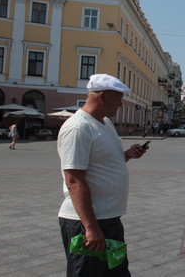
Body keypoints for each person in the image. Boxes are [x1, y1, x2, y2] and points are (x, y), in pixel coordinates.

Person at [57, 74, 148, 276]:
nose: (121, 104)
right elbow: (74, 181)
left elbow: (103, 163)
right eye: (118, 99)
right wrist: (90, 228)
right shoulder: (78, 127)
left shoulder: (104, 123)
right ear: (102, 97)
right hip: (87, 223)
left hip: (109, 219)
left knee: (117, 273)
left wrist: (128, 155)